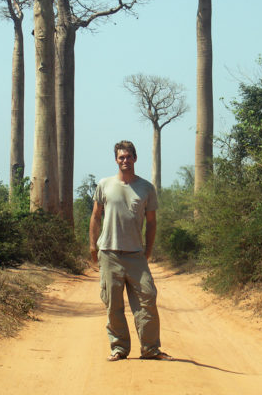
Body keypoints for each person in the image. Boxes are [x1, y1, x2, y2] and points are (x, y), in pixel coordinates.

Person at [89, 140, 172, 362]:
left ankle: (150, 349)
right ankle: (119, 348)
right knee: (112, 304)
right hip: (109, 253)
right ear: (116, 160)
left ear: (135, 158)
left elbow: (152, 222)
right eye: (120, 157)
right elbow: (96, 216)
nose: (125, 160)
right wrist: (92, 245)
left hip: (136, 254)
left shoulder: (146, 188)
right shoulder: (105, 185)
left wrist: (148, 250)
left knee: (148, 298)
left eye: (128, 156)